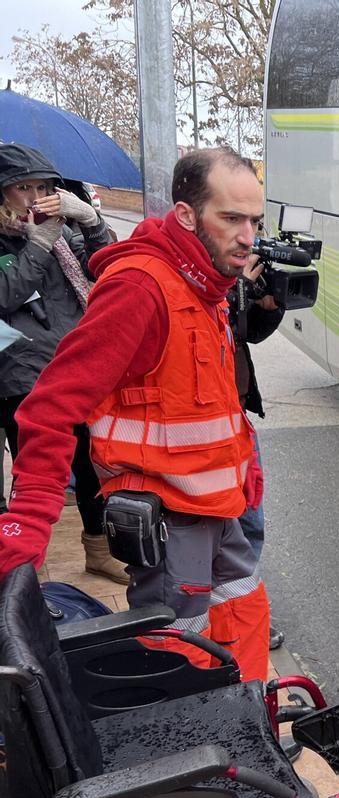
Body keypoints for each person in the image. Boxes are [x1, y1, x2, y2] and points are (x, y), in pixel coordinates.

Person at [0, 148, 273, 683]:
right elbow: (51, 406)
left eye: (256, 221)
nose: (249, 237)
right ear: (188, 216)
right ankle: (197, 744)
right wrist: (28, 522)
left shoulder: (203, 280)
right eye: (233, 218)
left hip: (220, 510)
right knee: (180, 653)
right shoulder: (141, 288)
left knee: (242, 612)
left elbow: (202, 399)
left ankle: (249, 716)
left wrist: (245, 468)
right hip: (172, 526)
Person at [0, 143, 125, 583]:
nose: (36, 196)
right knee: (36, 478)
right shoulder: (16, 239)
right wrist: (35, 247)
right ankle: (23, 571)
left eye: (44, 186)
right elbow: (5, 295)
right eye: (23, 187)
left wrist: (91, 221)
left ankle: (98, 549)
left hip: (74, 368)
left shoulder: (62, 232)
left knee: (91, 467)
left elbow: (108, 269)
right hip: (22, 375)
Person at [229, 256, 286, 650]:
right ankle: (234, 621)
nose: (247, 236)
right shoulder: (191, 279)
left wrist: (266, 307)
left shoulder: (228, 278)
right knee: (223, 532)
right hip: (205, 431)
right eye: (236, 220)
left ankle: (246, 614)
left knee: (250, 524)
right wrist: (236, 293)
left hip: (237, 417)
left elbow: (246, 334)